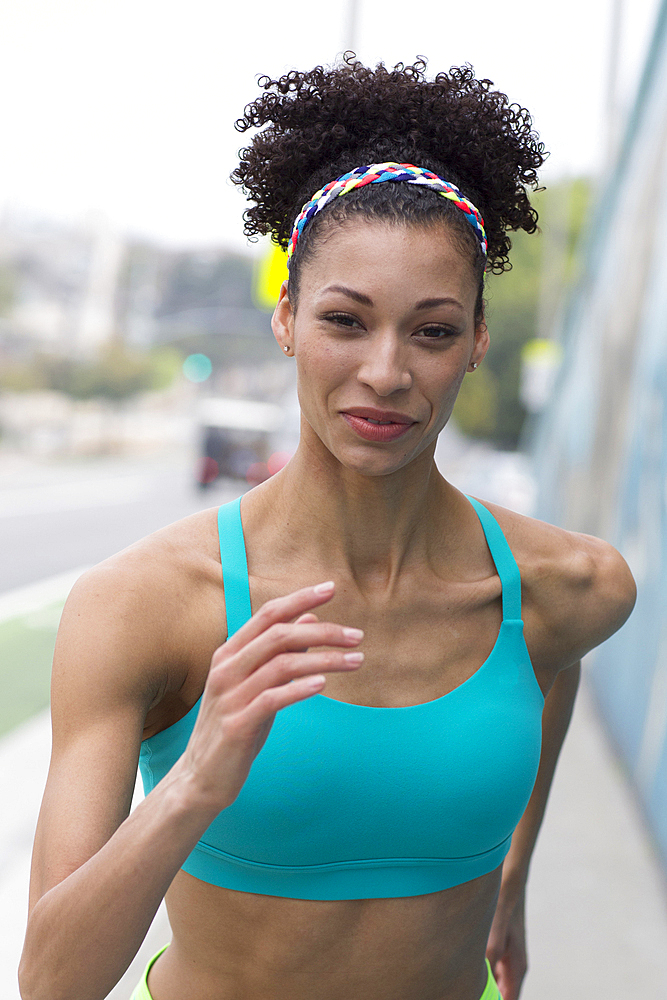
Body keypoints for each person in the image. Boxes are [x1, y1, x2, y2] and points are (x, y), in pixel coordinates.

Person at [19, 57, 636, 1000]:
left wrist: (513, 873)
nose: (385, 372)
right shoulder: (142, 605)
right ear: (288, 321)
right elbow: (52, 982)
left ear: (476, 341)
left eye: (431, 332)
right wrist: (194, 780)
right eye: (346, 320)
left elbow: (551, 666)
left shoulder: (565, 591)